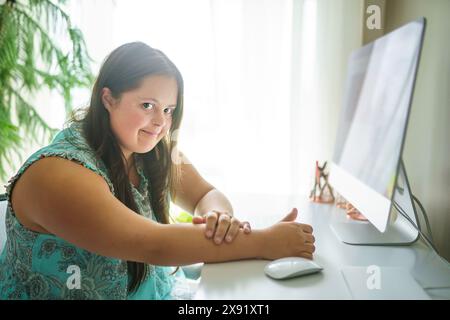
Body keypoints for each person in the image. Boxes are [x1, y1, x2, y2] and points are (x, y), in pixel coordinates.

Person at [0, 42, 315, 300]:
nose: (160, 122)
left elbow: (206, 194)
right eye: (147, 105)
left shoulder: (153, 148)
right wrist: (263, 242)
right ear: (108, 98)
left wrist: (222, 220)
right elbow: (154, 244)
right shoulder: (57, 175)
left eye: (168, 110)